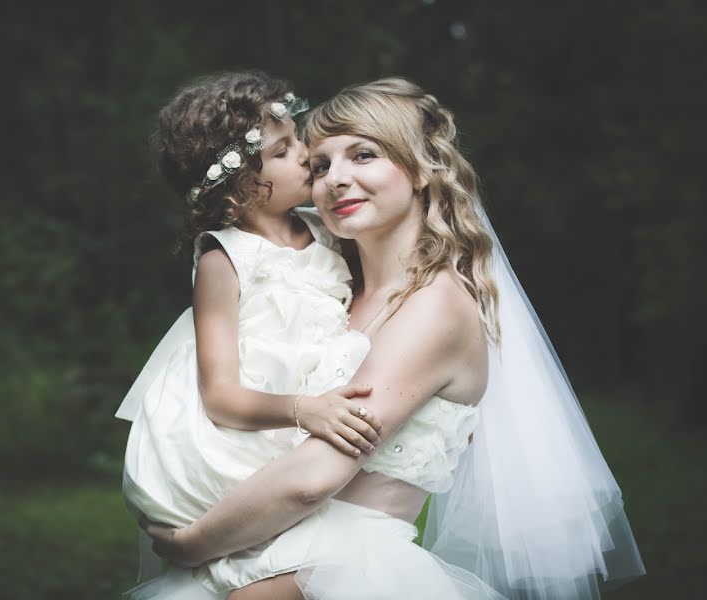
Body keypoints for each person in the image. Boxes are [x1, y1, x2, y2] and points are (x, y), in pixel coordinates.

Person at [139, 78, 645, 599]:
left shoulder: (435, 308)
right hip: (262, 551)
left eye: (363, 155)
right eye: (320, 165)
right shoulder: (326, 288)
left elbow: (314, 475)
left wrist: (193, 543)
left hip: (344, 568)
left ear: (422, 167)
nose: (336, 179)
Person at [116, 71, 384, 585]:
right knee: (254, 567)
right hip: (248, 434)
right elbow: (219, 395)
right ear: (237, 181)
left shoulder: (326, 228)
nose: (306, 154)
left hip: (308, 434)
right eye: (282, 152)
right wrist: (304, 410)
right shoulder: (225, 257)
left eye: (297, 139)